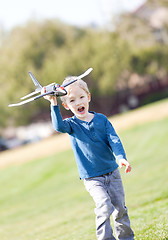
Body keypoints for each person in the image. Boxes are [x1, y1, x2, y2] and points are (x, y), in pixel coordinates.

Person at [42, 75, 134, 240]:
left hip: (112, 173)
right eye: (72, 100)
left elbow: (114, 140)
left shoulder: (102, 120)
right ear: (66, 105)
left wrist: (121, 157)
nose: (78, 103)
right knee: (104, 205)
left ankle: (126, 237)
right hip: (92, 178)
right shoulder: (71, 125)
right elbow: (58, 126)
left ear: (88, 97)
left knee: (120, 208)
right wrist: (53, 103)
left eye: (81, 97)